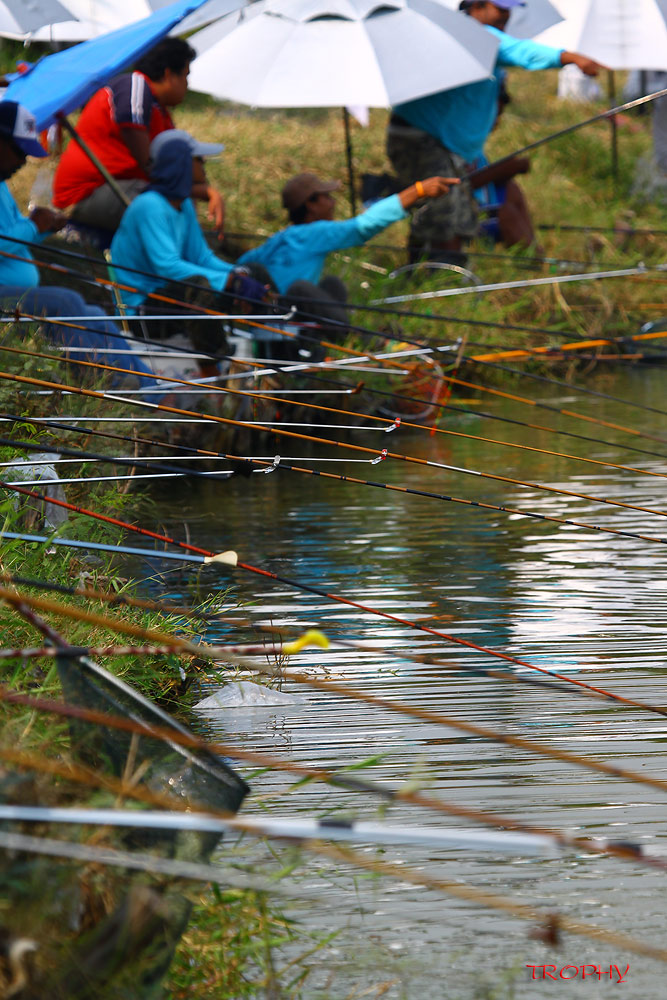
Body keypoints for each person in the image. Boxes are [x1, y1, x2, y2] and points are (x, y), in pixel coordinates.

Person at [386, 0, 603, 262]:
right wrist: (570, 57)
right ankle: (445, 275)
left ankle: (426, 271)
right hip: (420, 139)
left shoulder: (474, 42)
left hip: (447, 146)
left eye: (509, 9)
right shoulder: (474, 36)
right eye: (500, 8)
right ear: (476, 5)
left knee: (446, 208)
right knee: (443, 208)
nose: (507, 15)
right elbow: (521, 51)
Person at [0, 100, 161, 397]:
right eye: (18, 150)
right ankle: (105, 385)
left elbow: (12, 240)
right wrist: (34, 225)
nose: (23, 160)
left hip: (15, 294)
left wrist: (43, 227)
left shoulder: (1, 185)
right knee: (66, 300)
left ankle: (151, 389)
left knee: (94, 314)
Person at [237, 171, 458, 338]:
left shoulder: (282, 237)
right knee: (300, 289)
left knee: (331, 284)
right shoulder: (313, 232)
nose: (333, 203)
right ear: (311, 205)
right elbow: (362, 227)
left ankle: (336, 336)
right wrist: (417, 191)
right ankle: (358, 337)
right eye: (327, 197)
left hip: (279, 313)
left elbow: (243, 264)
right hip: (279, 318)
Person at [110, 131, 267, 365]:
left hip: (171, 300)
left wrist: (238, 276)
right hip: (143, 311)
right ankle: (213, 367)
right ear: (181, 164)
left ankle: (275, 346)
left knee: (253, 270)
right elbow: (167, 267)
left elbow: (201, 257)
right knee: (199, 286)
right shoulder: (149, 206)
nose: (204, 165)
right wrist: (228, 282)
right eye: (198, 159)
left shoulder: (183, 203)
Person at [52, 38, 225, 239]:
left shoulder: (160, 111)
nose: (187, 85)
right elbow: (149, 161)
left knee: (178, 200)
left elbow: (172, 168)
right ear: (169, 74)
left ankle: (193, 252)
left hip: (118, 190)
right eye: (186, 76)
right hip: (86, 196)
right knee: (165, 202)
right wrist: (184, 183)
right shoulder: (134, 84)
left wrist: (204, 189)